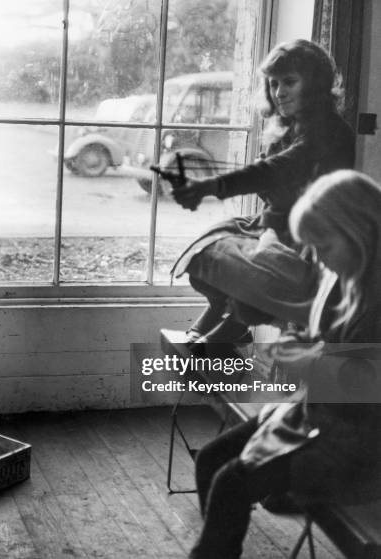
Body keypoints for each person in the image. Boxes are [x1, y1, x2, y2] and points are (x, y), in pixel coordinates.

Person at [188, 169, 381, 559]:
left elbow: (367, 389)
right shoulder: (349, 278)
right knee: (211, 459)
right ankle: (220, 542)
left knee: (230, 482)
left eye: (324, 246)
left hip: (361, 449)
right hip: (323, 418)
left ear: (360, 231)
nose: (320, 260)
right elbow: (336, 350)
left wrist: (309, 363)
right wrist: (303, 346)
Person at [156, 39, 355, 351]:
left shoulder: (330, 130)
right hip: (276, 223)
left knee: (252, 276)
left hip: (313, 238)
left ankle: (233, 325)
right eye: (273, 84)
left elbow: (279, 169)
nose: (279, 92)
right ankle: (222, 315)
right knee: (205, 252)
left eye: (289, 82)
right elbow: (272, 181)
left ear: (315, 84)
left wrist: (212, 186)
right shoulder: (289, 126)